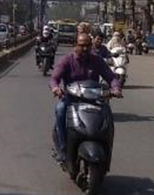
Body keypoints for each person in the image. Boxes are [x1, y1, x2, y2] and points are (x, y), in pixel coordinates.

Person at [50, 33, 123, 166]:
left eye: (87, 46)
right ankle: (63, 148)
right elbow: (54, 78)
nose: (85, 49)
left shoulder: (96, 60)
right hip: (71, 99)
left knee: (108, 116)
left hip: (93, 99)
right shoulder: (67, 60)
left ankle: (107, 150)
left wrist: (116, 88)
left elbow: (111, 77)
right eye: (82, 45)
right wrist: (56, 88)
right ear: (75, 45)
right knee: (60, 109)